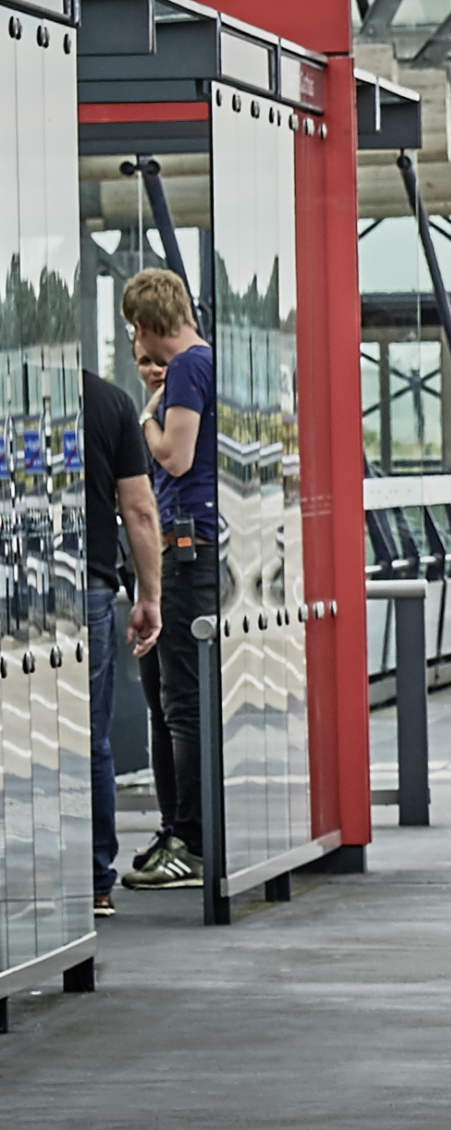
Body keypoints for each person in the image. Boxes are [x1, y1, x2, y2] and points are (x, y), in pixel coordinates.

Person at [120, 271, 218, 893]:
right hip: (190, 547)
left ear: (153, 324)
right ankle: (179, 827)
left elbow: (174, 456)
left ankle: (191, 839)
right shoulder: (206, 362)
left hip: (186, 549)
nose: (138, 343)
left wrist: (143, 421)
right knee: (168, 697)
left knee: (178, 702)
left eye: (136, 328)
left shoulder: (186, 366)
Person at [82, 366, 164, 915]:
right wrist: (148, 594)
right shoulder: (109, 402)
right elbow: (137, 508)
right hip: (86, 584)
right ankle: (93, 883)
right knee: (88, 738)